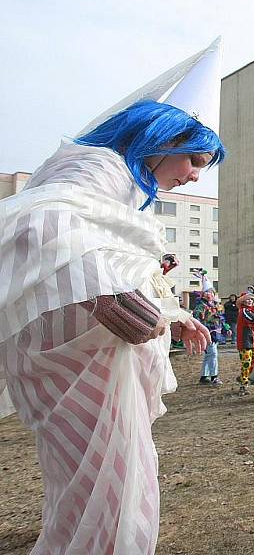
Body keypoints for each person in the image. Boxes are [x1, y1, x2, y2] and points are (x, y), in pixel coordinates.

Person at [0, 37, 225, 554]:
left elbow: (133, 267)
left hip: (94, 360)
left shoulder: (125, 188)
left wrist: (174, 314)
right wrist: (106, 295)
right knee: (109, 483)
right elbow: (42, 223)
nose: (193, 176)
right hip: (72, 360)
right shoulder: (96, 169)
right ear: (158, 137)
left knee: (109, 481)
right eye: (193, 158)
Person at [193, 290, 229, 385]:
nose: (210, 295)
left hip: (216, 333)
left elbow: (221, 318)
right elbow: (197, 319)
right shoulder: (200, 306)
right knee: (213, 354)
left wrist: (227, 328)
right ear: (203, 295)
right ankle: (214, 377)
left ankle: (204, 376)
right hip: (207, 333)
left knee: (209, 355)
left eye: (211, 293)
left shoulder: (216, 305)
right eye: (207, 293)